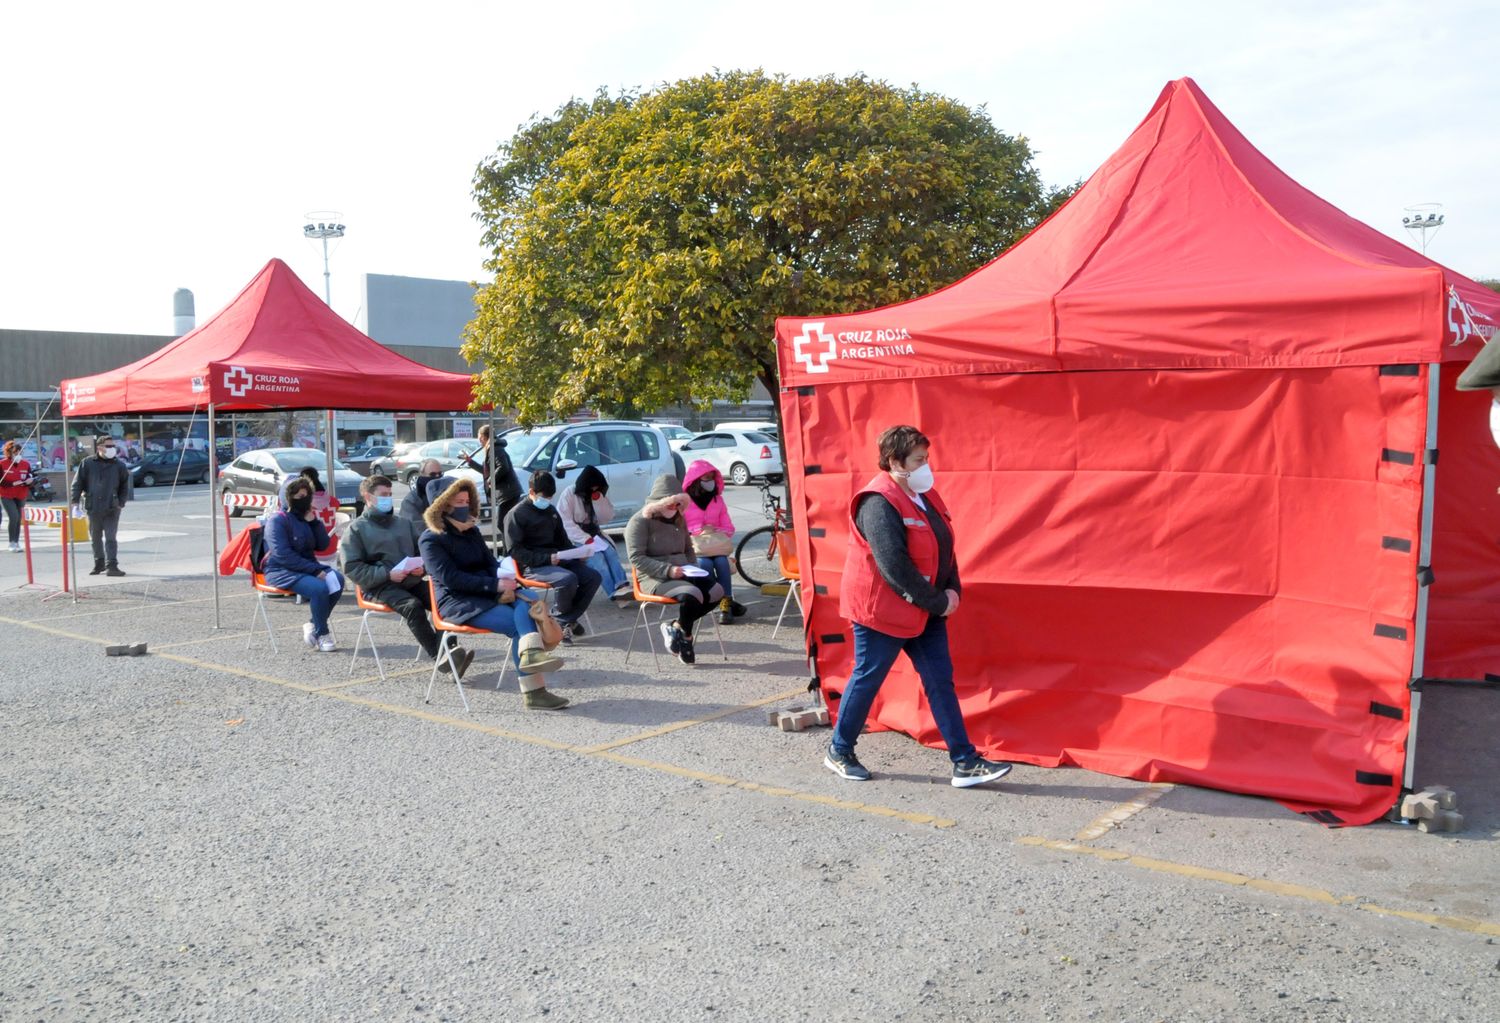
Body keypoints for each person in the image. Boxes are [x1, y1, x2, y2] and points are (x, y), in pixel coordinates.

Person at [824, 424, 1013, 788]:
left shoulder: (924, 495)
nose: (926, 465)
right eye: (918, 459)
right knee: (869, 678)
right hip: (881, 610)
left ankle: (965, 761)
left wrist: (952, 590)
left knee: (940, 681)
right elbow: (893, 565)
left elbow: (944, 545)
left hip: (924, 607)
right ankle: (839, 749)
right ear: (895, 461)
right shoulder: (878, 501)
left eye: (927, 458)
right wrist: (938, 601)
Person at [420, 478, 570, 710]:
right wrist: (496, 585)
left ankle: (531, 656)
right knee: (517, 623)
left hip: (486, 591)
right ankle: (534, 691)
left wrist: (504, 577)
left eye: (467, 501)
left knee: (528, 596)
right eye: (458, 501)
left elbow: (490, 563)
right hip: (458, 601)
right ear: (442, 505)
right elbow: (451, 579)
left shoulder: (471, 531)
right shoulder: (430, 539)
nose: (464, 506)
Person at [342, 475, 472, 679]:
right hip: (379, 586)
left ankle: (450, 655)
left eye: (390, 494)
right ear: (368, 497)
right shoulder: (356, 529)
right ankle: (441, 656)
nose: (388, 498)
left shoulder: (403, 523)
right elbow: (352, 568)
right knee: (413, 607)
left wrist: (422, 568)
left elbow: (424, 552)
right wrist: (387, 574)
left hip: (410, 579)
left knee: (444, 600)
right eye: (383, 495)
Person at [625, 474, 725, 665]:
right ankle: (686, 638)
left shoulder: (679, 518)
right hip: (655, 577)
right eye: (671, 503)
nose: (675, 508)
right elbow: (636, 558)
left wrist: (692, 568)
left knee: (717, 591)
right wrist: (668, 570)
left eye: (678, 504)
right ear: (659, 502)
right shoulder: (639, 522)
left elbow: (688, 549)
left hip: (684, 571)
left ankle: (677, 626)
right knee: (693, 595)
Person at [503, 470, 602, 643]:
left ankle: (562, 620)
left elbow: (562, 541)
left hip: (558, 559)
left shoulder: (551, 511)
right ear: (531, 492)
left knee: (593, 577)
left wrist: (578, 554)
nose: (547, 501)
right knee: (568, 579)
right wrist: (547, 559)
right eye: (544, 497)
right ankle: (564, 624)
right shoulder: (516, 515)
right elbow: (515, 551)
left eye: (550, 497)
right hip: (533, 565)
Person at [264, 475, 345, 652]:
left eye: (307, 496)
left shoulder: (306, 518)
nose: (304, 500)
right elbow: (283, 554)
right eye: (299, 497)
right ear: (287, 497)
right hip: (281, 570)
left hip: (307, 567)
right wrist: (315, 571)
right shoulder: (277, 520)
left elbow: (323, 545)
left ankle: (313, 625)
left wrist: (314, 522)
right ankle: (322, 633)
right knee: (319, 589)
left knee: (338, 581)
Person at [681, 459, 747, 625]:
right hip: (695, 547)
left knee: (722, 562)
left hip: (716, 546)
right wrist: (698, 529)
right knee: (705, 564)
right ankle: (717, 600)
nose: (710, 482)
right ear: (695, 480)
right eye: (706, 478)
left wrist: (717, 530)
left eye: (712, 477)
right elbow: (680, 528)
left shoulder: (718, 500)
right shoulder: (684, 502)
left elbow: (729, 527)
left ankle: (725, 605)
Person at [559, 465, 632, 606]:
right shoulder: (569, 494)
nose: (593, 490)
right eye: (591, 488)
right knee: (599, 562)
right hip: (576, 537)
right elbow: (565, 522)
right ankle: (614, 593)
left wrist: (599, 500)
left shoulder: (597, 494)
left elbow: (607, 517)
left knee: (611, 555)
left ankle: (623, 587)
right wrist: (584, 538)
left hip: (595, 535)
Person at [69, 434, 131, 576]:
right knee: (95, 537)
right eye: (109, 446)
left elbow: (124, 486)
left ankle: (112, 566)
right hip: (93, 506)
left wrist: (121, 503)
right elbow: (77, 484)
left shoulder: (119, 465)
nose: (112, 449)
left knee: (110, 537)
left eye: (113, 446)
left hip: (112, 507)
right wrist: (75, 503)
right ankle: (99, 563)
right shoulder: (87, 463)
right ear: (99, 447)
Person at [462, 425, 523, 527]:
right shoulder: (492, 448)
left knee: (502, 523)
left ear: (483, 437)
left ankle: (509, 542)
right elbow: (487, 471)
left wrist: (491, 480)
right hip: (506, 493)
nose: (479, 441)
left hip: (508, 493)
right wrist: (470, 461)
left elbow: (503, 467)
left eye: (479, 438)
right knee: (505, 523)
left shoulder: (495, 449)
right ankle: (509, 542)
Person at [1, 440, 35, 553]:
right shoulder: (2, 464)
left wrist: (29, 481)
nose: (17, 455)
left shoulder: (26, 464)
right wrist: (12, 484)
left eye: (19, 452)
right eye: (15, 452)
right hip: (6, 495)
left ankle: (16, 542)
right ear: (9, 452)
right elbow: (1, 481)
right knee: (14, 516)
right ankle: (11, 542)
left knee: (18, 519)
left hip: (21, 495)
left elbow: (30, 479)